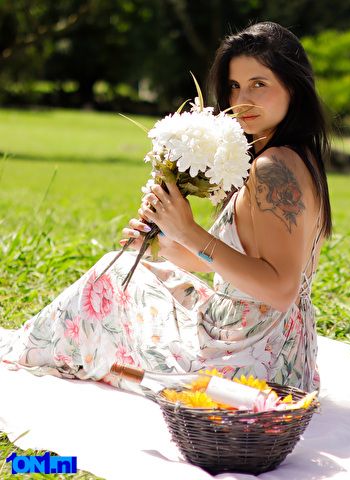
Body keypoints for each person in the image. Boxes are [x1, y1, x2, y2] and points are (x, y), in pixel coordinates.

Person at [0, 21, 332, 394]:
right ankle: (38, 348)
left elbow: (280, 289)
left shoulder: (274, 168)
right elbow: (238, 268)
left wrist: (190, 231)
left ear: (293, 86)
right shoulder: (295, 157)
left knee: (112, 278)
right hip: (286, 354)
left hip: (245, 362)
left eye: (259, 84)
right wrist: (166, 241)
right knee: (138, 268)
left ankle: (22, 353)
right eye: (234, 86)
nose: (242, 99)